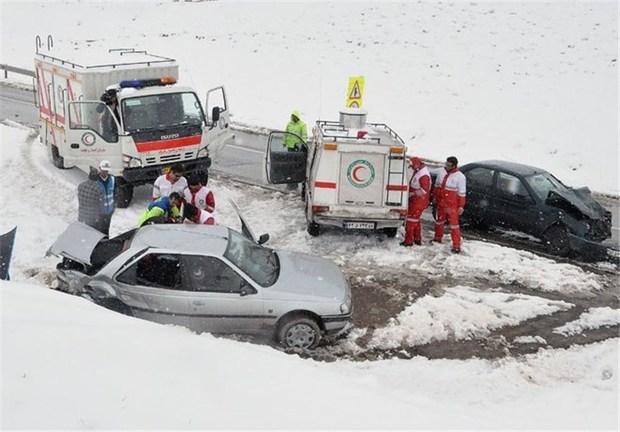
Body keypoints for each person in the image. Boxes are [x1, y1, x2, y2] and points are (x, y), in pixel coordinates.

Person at [432, 156, 467, 253]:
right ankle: (437, 238)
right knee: (439, 222)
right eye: (446, 164)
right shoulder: (441, 172)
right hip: (441, 203)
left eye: (448, 165)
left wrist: (461, 206)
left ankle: (456, 245)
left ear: (454, 166)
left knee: (454, 226)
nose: (446, 166)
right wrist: (435, 197)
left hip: (452, 205)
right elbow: (437, 185)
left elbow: (462, 193)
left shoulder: (460, 177)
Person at [400, 156, 431, 247]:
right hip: (417, 201)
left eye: (413, 166)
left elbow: (424, 190)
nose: (412, 168)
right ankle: (417, 239)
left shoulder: (423, 174)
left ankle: (408, 241)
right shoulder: (419, 171)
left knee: (410, 221)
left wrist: (412, 194)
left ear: (417, 164)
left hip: (418, 202)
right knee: (415, 221)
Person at [96, 160, 115, 236]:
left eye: (106, 171)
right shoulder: (95, 181)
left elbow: (115, 193)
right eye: (103, 170)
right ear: (99, 169)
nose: (105, 172)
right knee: (98, 232)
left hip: (109, 212)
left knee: (106, 230)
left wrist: (113, 207)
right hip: (99, 212)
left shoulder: (112, 179)